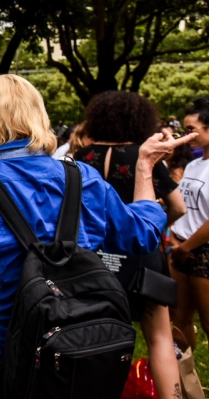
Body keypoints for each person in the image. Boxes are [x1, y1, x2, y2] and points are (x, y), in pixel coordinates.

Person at [0, 74, 192, 399]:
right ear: (38, 116)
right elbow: (141, 234)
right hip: (76, 351)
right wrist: (144, 167)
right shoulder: (80, 177)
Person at [75, 91, 186, 399]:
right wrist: (159, 224)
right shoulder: (144, 154)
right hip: (141, 254)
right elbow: (177, 207)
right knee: (159, 337)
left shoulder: (80, 157)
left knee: (95, 335)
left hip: (94, 257)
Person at [170, 98, 209, 354]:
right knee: (179, 322)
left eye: (193, 129)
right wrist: (176, 242)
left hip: (203, 251)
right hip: (179, 248)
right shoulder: (194, 164)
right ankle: (187, 387)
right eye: (185, 130)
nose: (188, 136)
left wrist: (186, 247)